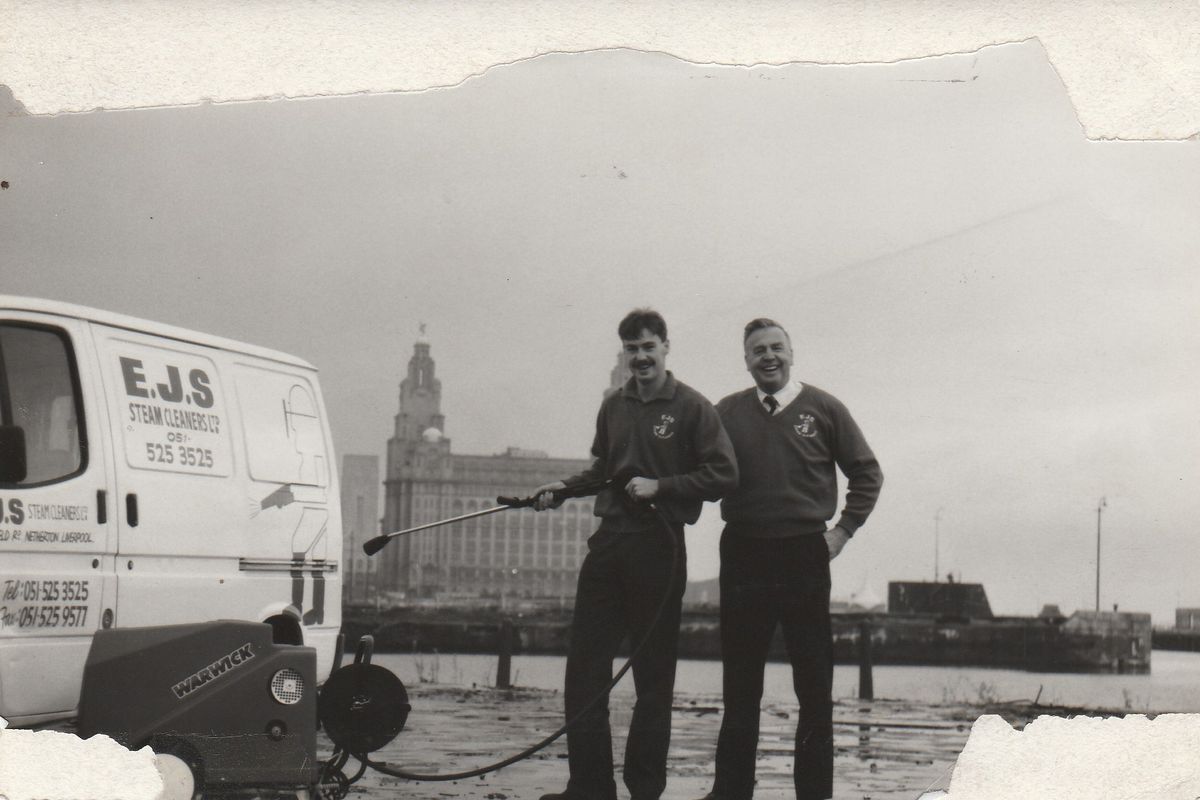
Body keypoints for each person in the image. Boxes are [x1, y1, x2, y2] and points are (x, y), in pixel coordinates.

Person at [533, 308, 738, 800]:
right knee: (584, 671)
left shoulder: (693, 407)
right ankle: (589, 788)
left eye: (649, 347)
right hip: (609, 544)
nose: (641, 357)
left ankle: (645, 790)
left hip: (660, 547)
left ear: (665, 347)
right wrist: (562, 488)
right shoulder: (614, 405)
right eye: (632, 349)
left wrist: (661, 486)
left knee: (653, 677)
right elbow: (603, 471)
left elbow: (724, 474)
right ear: (624, 353)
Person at [700, 317, 883, 800]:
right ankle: (730, 792)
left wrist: (843, 531)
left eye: (776, 347)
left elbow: (867, 472)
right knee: (740, 684)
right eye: (758, 350)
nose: (769, 357)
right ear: (746, 360)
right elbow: (697, 469)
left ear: (791, 353)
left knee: (814, 685)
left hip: (804, 553)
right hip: (743, 552)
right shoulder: (726, 412)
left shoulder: (825, 408)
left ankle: (814, 794)